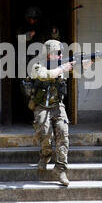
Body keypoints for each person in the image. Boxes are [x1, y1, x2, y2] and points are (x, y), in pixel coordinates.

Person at [29, 39, 74, 186]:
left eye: (61, 53)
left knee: (63, 135)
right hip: (41, 105)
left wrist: (90, 61)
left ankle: (60, 169)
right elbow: (45, 75)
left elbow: (82, 68)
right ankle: (45, 155)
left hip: (57, 105)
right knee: (45, 134)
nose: (61, 56)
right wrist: (62, 69)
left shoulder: (62, 65)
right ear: (48, 54)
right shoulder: (36, 66)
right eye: (58, 53)